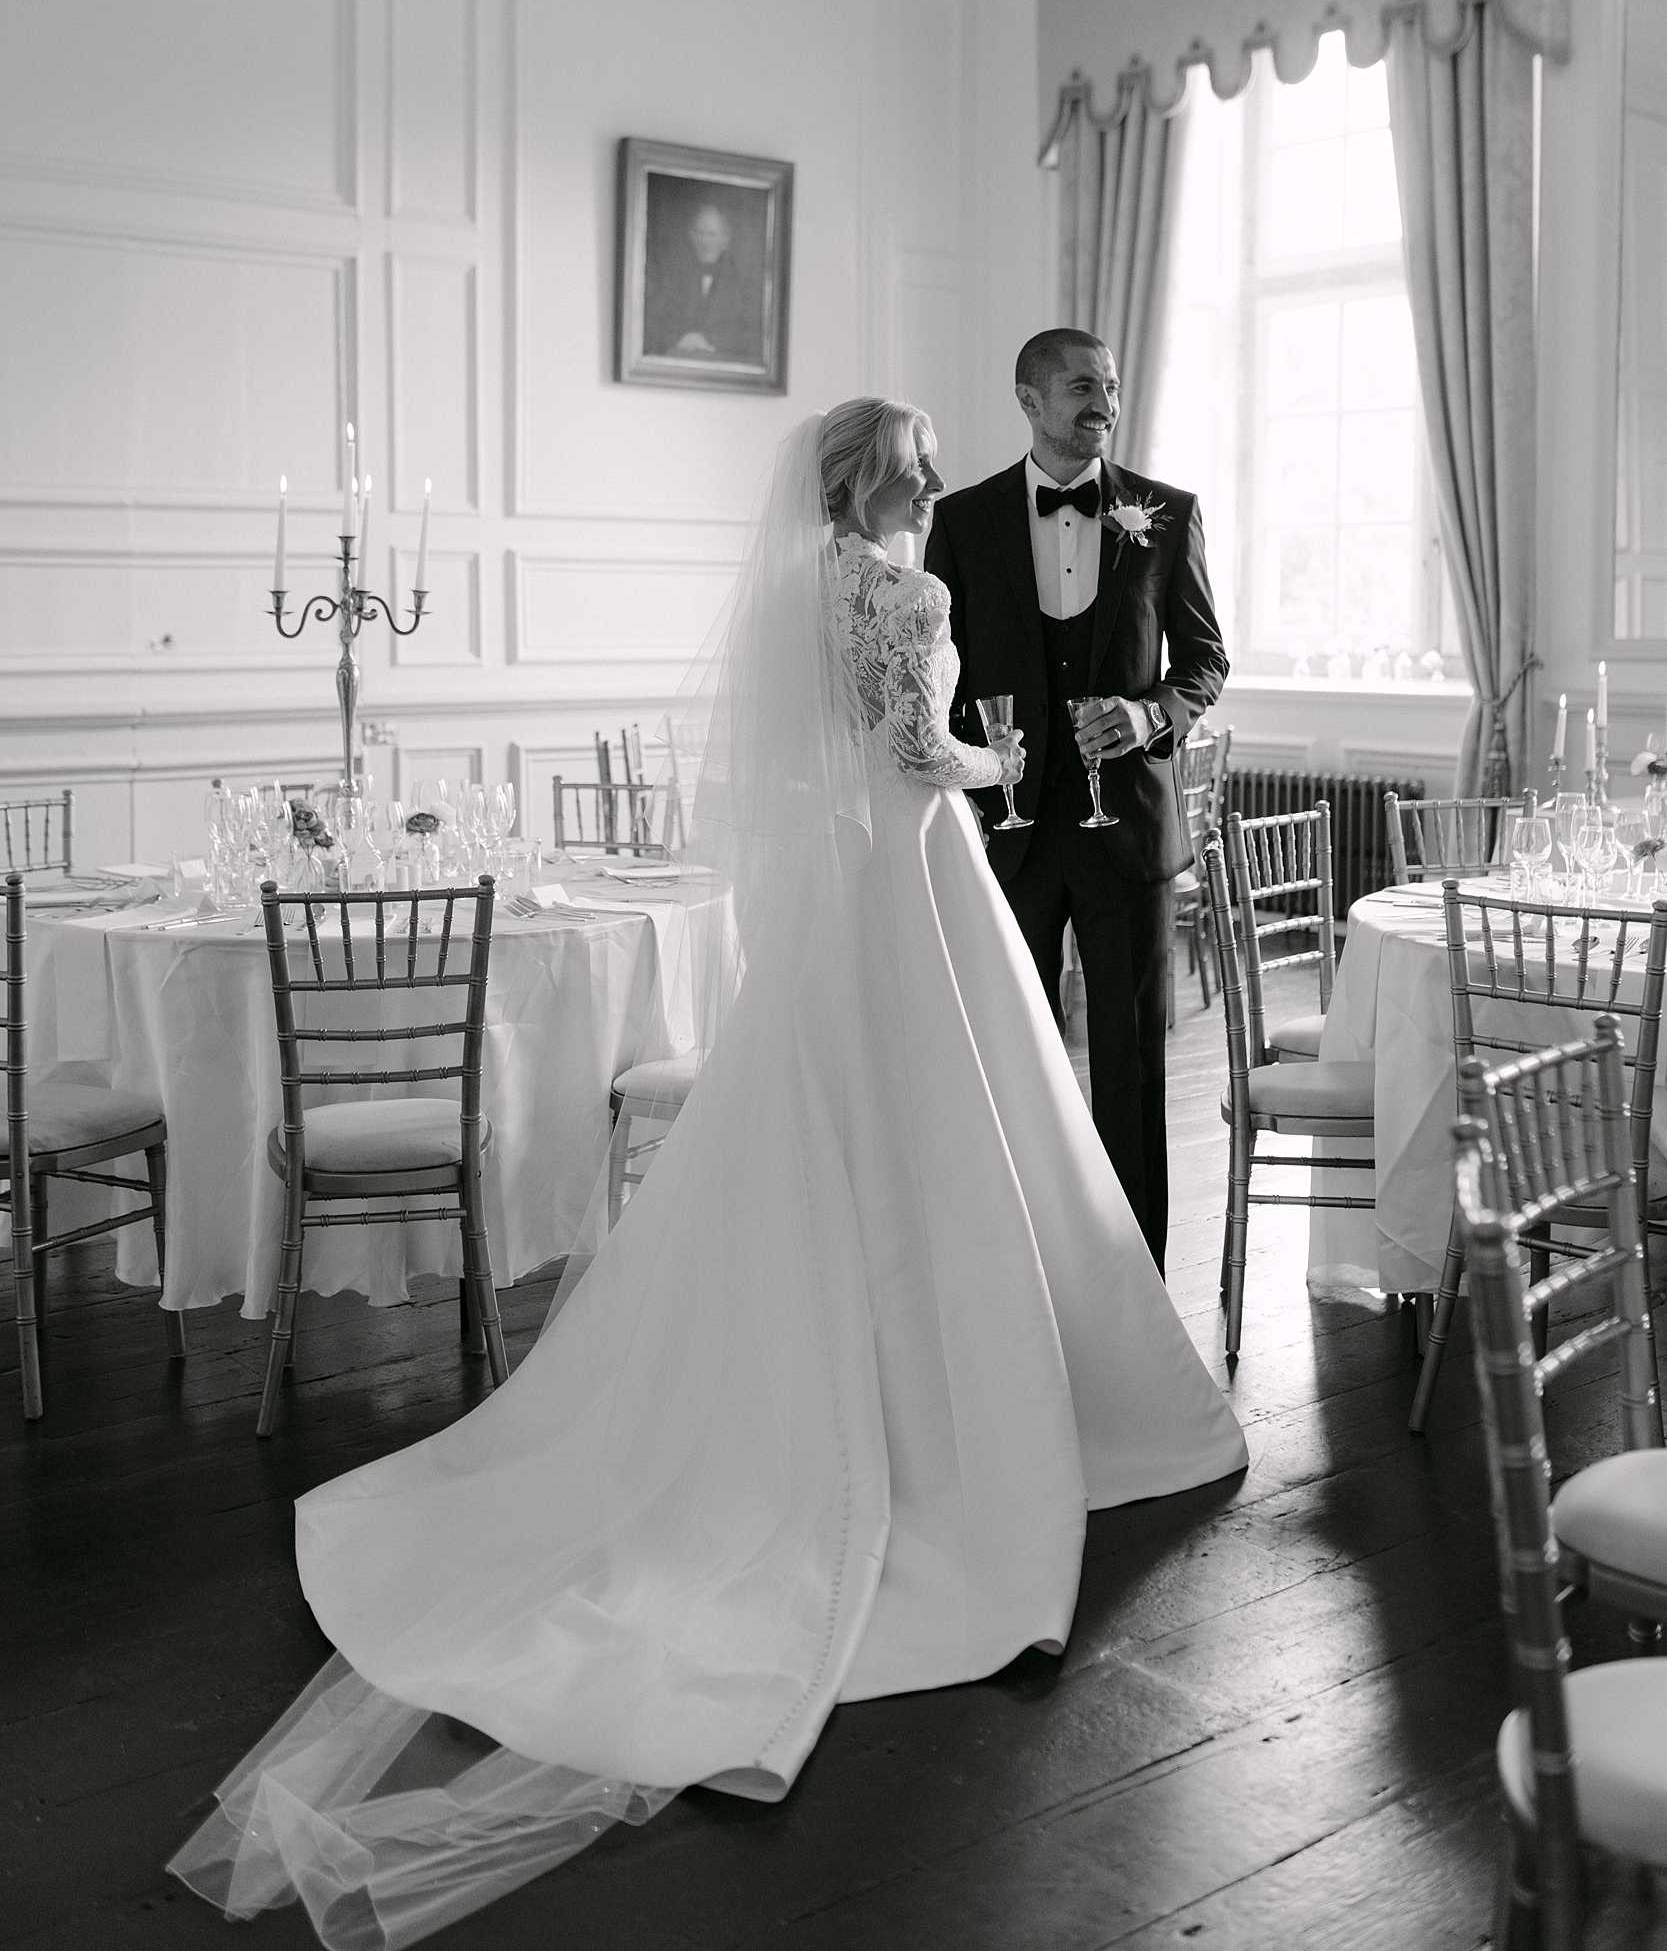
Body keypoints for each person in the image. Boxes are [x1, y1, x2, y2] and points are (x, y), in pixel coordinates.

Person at [170, 399, 1245, 1949]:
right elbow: (901, 749)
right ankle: (962, 1412)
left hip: (856, 903)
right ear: (858, 479)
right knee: (948, 1130)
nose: (935, 481)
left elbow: (831, 754)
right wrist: (991, 753)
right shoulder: (904, 591)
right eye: (916, 461)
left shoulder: (799, 587)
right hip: (917, 888)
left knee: (858, 1133)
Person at [926, 330, 1228, 1271]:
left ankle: (1136, 1272)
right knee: (1010, 1051)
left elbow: (1205, 661)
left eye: (1109, 386)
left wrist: (1148, 720)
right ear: (1028, 399)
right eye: (1079, 387)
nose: (1100, 402)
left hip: (1127, 833)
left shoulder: (1166, 513)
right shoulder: (965, 520)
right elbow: (939, 671)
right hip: (1004, 827)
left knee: (1133, 1058)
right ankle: (1019, 1261)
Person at [642, 197, 763, 363]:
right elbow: (651, 322)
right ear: (691, 235)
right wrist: (679, 338)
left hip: (723, 366)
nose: (705, 241)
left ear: (725, 240)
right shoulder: (671, 276)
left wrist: (709, 340)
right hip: (676, 361)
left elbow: (752, 335)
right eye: (700, 233)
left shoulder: (742, 282)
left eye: (711, 234)